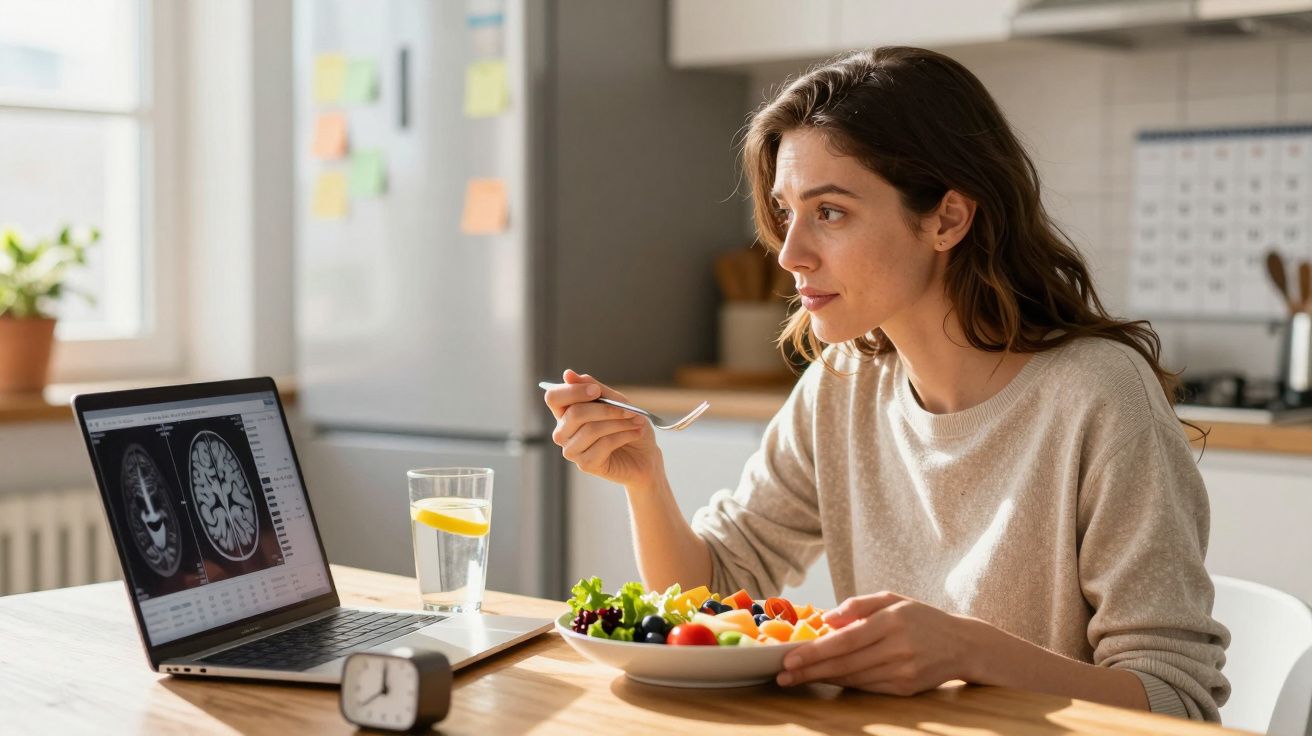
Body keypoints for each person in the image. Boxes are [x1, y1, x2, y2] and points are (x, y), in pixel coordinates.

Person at [541, 46, 1229, 722]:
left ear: (947, 219)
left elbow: (1177, 703)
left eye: (831, 212)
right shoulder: (843, 383)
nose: (789, 253)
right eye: (787, 211)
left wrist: (967, 650)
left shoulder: (1097, 395)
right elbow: (710, 595)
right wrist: (644, 479)